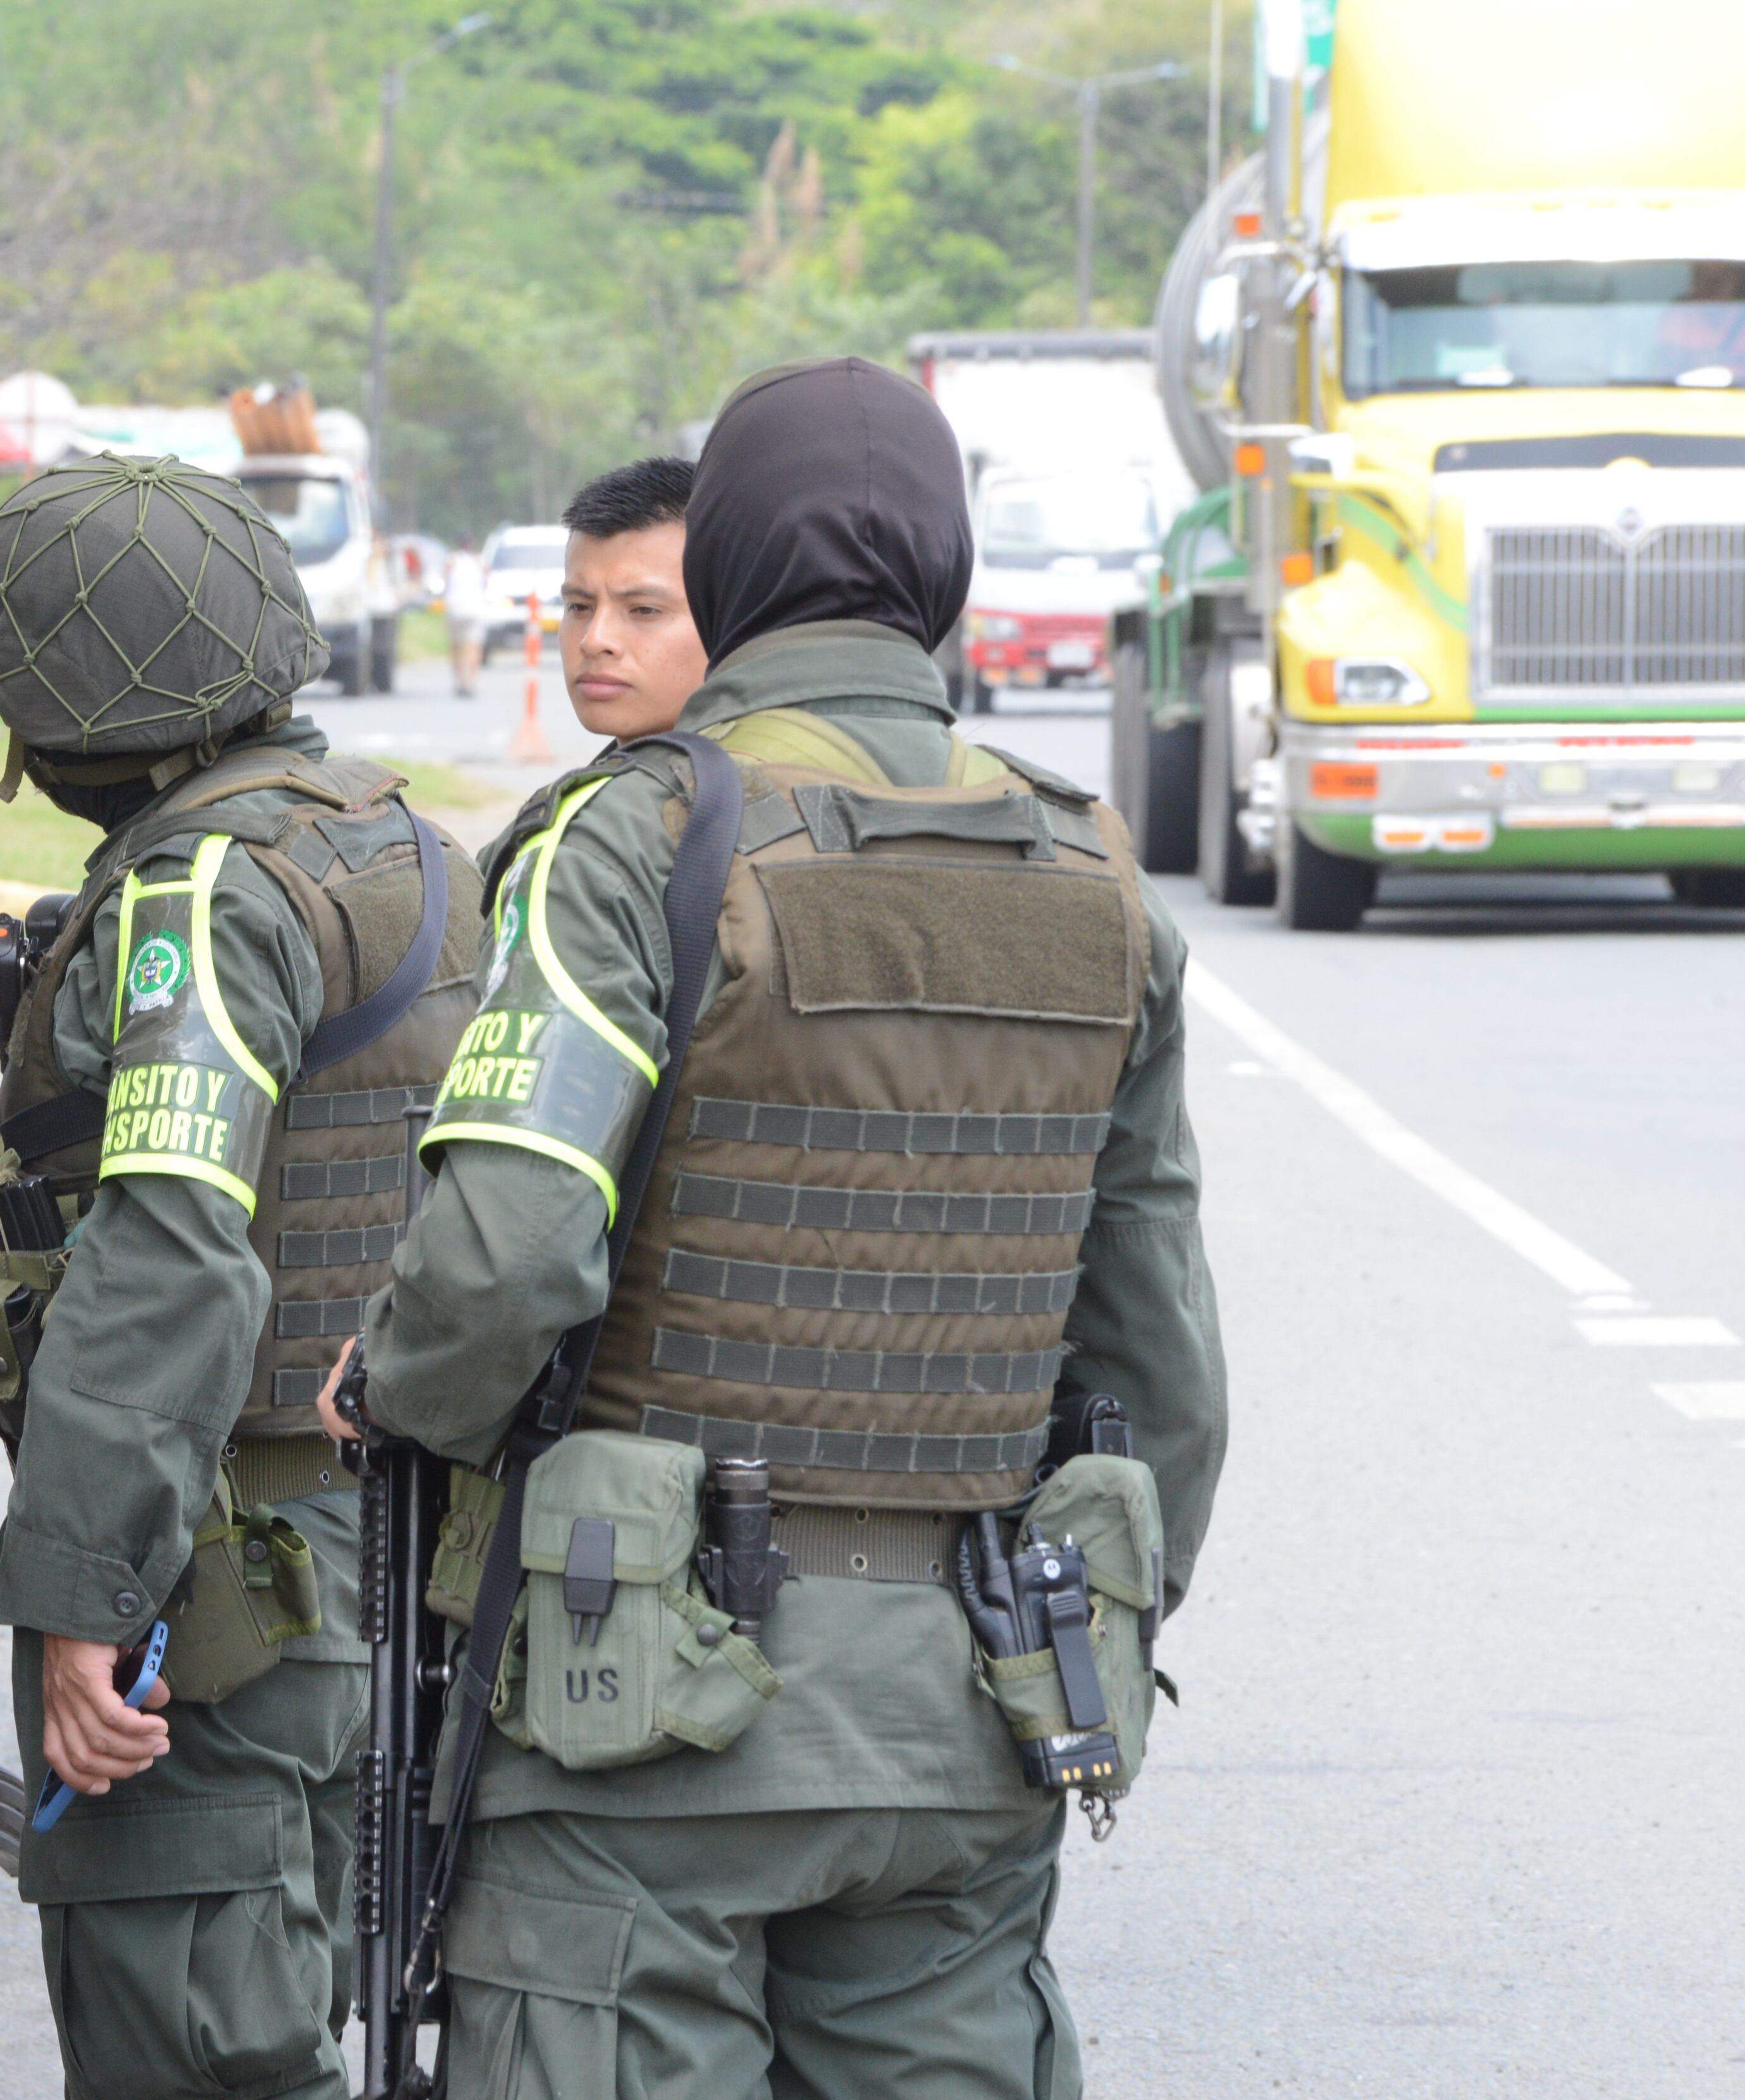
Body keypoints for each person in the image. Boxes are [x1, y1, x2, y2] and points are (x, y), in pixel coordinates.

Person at [331, 358, 1228, 2097]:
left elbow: (507, 1255)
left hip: (642, 1712)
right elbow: (1159, 1352)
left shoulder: (647, 833)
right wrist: (1091, 1622)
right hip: (975, 1705)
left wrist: (397, 1396)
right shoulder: (1094, 871)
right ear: (948, 575)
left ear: (727, 569)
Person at [0, 454, 481, 2098]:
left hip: (222, 1569)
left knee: (195, 2043)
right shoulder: (408, 850)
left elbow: (173, 1256)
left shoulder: (197, 898)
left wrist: (80, 1595)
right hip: (382, 1548)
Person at [556, 455, 705, 742]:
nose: (594, 641)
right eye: (579, 607)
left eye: (644, 610)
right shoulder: (619, 781)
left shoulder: (760, 781)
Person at [442, 538, 491, 699]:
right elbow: (486, 582)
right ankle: (470, 682)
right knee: (474, 646)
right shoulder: (480, 561)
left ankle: (460, 682)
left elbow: (446, 581)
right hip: (475, 607)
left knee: (456, 645)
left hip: (455, 606)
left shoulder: (452, 560)